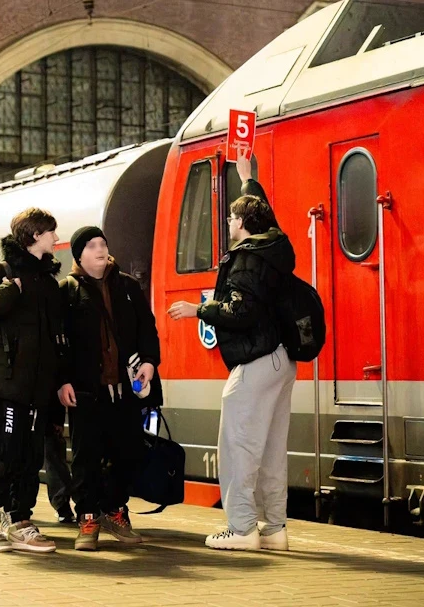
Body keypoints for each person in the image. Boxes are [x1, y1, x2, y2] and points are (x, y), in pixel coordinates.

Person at [168, 154, 296, 551]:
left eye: (230, 218)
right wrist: (247, 180)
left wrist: (197, 310)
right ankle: (274, 529)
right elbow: (267, 218)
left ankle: (242, 530)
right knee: (273, 448)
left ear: (241, 223)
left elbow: (238, 312)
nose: (227, 223)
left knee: (238, 445)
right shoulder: (276, 246)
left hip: (255, 360)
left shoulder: (245, 262)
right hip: (282, 359)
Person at [0, 208, 63, 554]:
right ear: (35, 236)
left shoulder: (48, 282)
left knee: (29, 456)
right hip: (5, 385)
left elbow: (56, 339)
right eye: (51, 232)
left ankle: (20, 519)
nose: (55, 238)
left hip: (37, 389)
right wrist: (9, 291)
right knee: (5, 454)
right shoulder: (2, 272)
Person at [57, 226, 160, 551]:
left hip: (126, 390)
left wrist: (149, 362)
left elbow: (148, 328)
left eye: (103, 243)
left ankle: (117, 511)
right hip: (88, 392)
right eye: (91, 245)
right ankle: (88, 518)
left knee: (125, 452)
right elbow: (59, 343)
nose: (100, 249)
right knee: (86, 457)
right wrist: (62, 381)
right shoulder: (68, 291)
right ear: (79, 255)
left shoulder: (127, 285)